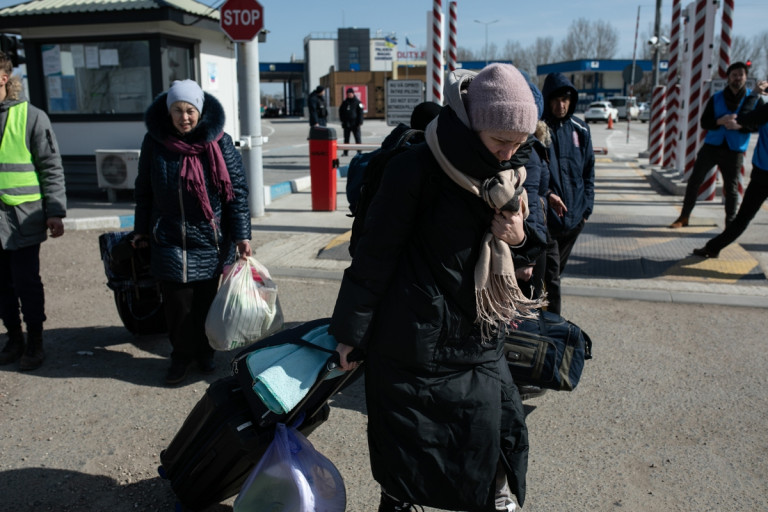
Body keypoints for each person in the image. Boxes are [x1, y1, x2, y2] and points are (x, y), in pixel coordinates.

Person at [329, 63, 545, 512]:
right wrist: (350, 332)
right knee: (410, 454)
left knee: (489, 439)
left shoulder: (514, 175)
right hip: (412, 340)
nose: (509, 154)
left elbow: (532, 253)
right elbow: (375, 255)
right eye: (501, 142)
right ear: (471, 126)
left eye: (519, 144)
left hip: (480, 335)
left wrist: (518, 237)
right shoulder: (416, 168)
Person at [133, 79, 252, 386]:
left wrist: (242, 235)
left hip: (209, 238)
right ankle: (180, 357)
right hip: (168, 236)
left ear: (199, 111)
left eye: (189, 110)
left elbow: (235, 192)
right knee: (176, 305)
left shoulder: (219, 141)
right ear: (168, 111)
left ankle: (204, 351)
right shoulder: (154, 141)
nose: (184, 117)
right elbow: (144, 189)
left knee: (204, 302)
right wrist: (141, 230)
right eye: (177, 110)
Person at [0, 50, 67, 371]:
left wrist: (55, 211)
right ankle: (14, 339)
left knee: (26, 283)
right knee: (1, 286)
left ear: (3, 77)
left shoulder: (31, 116)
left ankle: (35, 342)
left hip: (22, 218)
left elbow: (51, 167)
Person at [670, 61, 765, 229]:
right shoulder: (716, 98)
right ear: (728, 77)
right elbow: (704, 122)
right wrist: (719, 121)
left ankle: (730, 223)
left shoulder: (754, 99)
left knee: (732, 188)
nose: (737, 78)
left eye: (740, 75)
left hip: (734, 149)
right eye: (734, 75)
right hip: (712, 146)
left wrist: (741, 125)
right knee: (694, 181)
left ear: (745, 77)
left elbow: (759, 124)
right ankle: (684, 216)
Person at [692, 81, 768, 258]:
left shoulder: (766, 111)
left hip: (763, 175)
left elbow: (743, 117)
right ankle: (713, 247)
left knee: (743, 218)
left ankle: (712, 248)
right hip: (762, 173)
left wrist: (754, 94)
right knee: (742, 218)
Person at [540, 72, 595, 315]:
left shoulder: (580, 129)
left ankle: (538, 314)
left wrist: (587, 210)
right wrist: (547, 194)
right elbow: (531, 172)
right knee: (552, 277)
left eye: (566, 99)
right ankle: (554, 332)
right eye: (556, 100)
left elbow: (588, 171)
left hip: (574, 220)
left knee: (552, 274)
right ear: (547, 100)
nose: (561, 105)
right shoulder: (538, 129)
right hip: (548, 220)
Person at [345, 100, 442, 215]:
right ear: (435, 125)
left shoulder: (381, 154)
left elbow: (354, 200)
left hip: (373, 226)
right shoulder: (427, 161)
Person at [338, 87, 364, 156]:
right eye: (348, 94)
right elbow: (341, 111)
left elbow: (361, 112)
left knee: (357, 138)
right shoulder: (345, 102)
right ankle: (345, 152)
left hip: (355, 123)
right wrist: (342, 120)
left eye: (350, 94)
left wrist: (360, 121)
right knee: (346, 138)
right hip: (347, 124)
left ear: (353, 94)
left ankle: (359, 152)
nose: (349, 95)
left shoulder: (357, 102)